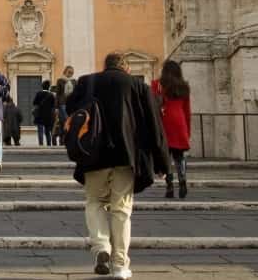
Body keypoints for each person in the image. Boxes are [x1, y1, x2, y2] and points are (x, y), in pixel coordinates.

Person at [66, 52, 168, 279]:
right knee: (121, 209)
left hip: (93, 154)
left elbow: (70, 107)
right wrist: (162, 162)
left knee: (94, 202)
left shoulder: (88, 82)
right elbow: (155, 126)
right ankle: (120, 265)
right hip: (126, 156)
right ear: (126, 68)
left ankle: (101, 246)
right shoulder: (138, 86)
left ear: (105, 66)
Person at [152, 60, 193, 199]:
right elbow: (187, 111)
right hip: (180, 122)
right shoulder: (184, 87)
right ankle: (182, 181)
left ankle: (169, 187)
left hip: (164, 122)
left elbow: (153, 105)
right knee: (179, 156)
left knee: (166, 157)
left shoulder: (157, 84)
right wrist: (188, 132)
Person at [32, 81, 56, 146]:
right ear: (49, 87)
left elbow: (34, 103)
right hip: (48, 116)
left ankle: (41, 144)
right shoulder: (51, 95)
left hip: (40, 114)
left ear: (42, 86)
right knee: (47, 131)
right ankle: (49, 144)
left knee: (40, 131)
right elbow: (54, 105)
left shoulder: (38, 93)